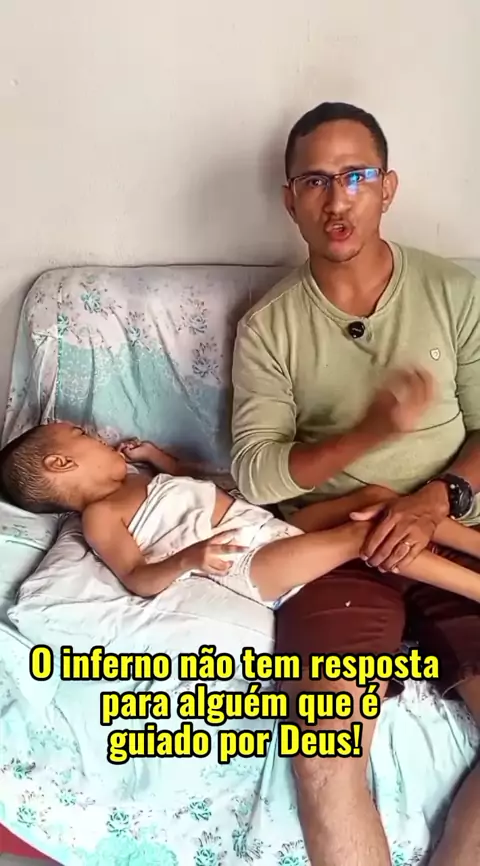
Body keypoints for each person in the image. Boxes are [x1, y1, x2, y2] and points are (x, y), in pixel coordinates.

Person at [231, 101, 480, 866]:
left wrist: (436, 500)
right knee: (324, 755)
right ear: (290, 200)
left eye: (356, 176)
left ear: (387, 187)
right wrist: (368, 433)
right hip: (338, 547)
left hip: (445, 527)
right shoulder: (269, 325)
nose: (337, 200)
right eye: (314, 181)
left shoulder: (453, 291)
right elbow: (256, 473)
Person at [2, 423, 480, 608]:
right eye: (83, 436)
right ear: (60, 464)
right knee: (365, 533)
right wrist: (188, 558)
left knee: (374, 496)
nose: (98, 435)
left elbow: (194, 483)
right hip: (248, 563)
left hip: (265, 526)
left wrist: (156, 456)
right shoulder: (100, 516)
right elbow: (136, 576)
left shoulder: (135, 478)